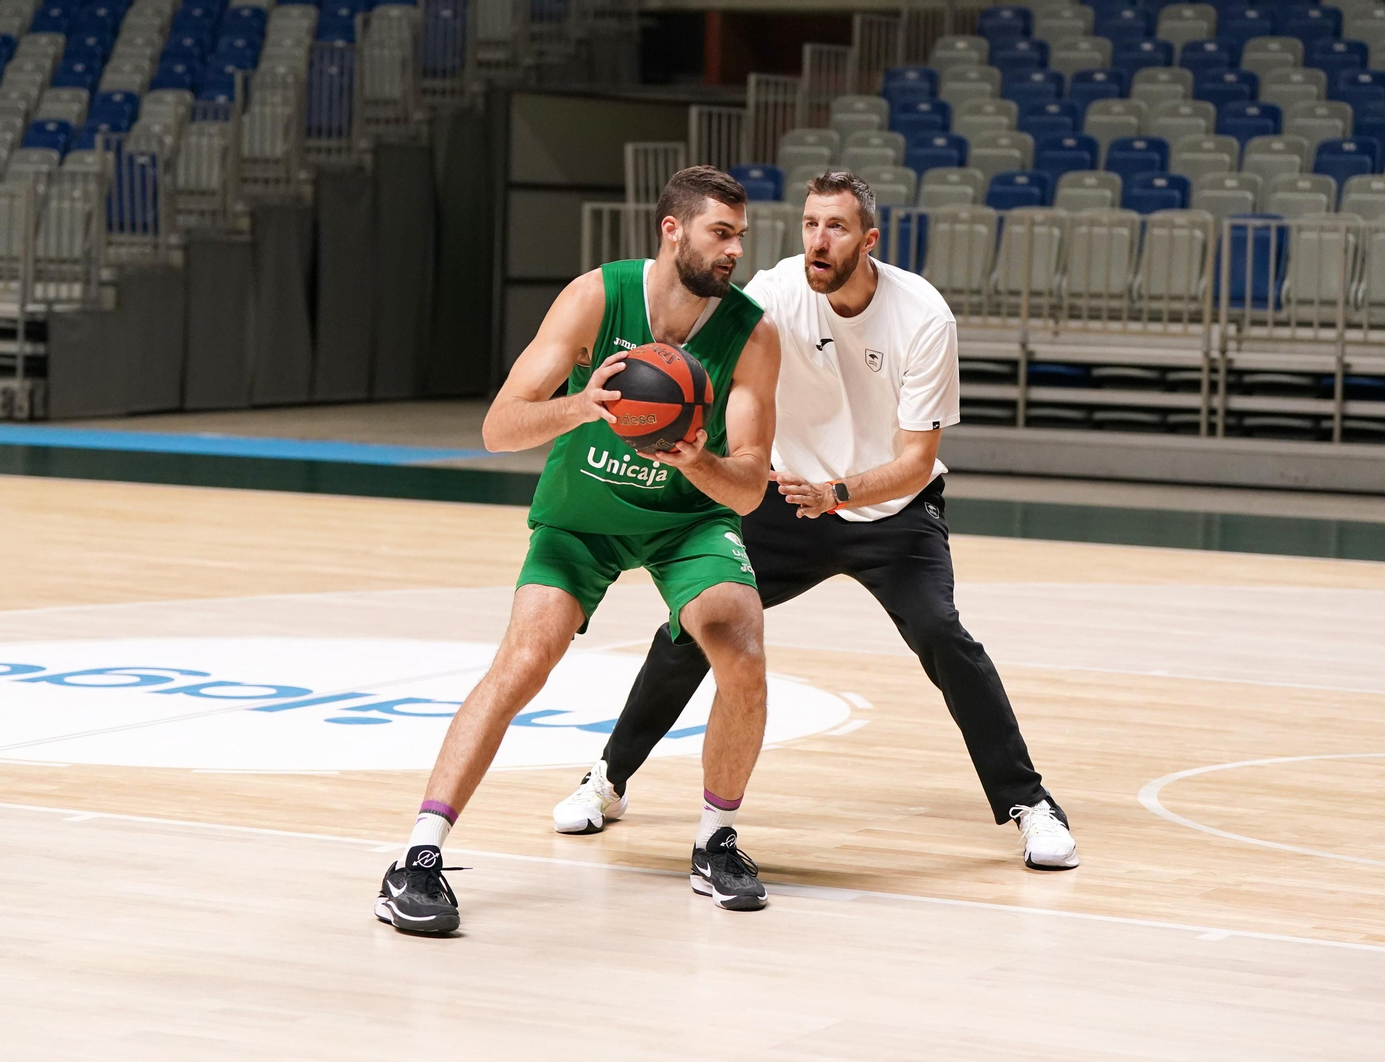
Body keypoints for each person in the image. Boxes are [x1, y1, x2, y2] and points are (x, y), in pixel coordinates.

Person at [553, 171, 1078, 871]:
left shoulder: (923, 316)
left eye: (835, 227)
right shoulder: (774, 293)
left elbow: (916, 462)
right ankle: (608, 779)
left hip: (890, 512)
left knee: (941, 634)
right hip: (786, 500)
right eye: (809, 224)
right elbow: (704, 345)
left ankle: (1029, 803)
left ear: (869, 239)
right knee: (693, 625)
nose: (818, 241)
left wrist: (836, 493)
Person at [374, 166, 782, 934]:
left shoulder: (752, 334)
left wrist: (697, 460)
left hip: (686, 520)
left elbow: (751, 487)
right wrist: (585, 406)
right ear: (672, 230)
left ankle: (715, 841)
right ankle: (416, 858)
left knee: (742, 648)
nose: (734, 250)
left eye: (740, 236)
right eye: (720, 233)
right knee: (525, 659)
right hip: (581, 518)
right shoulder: (598, 296)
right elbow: (498, 429)